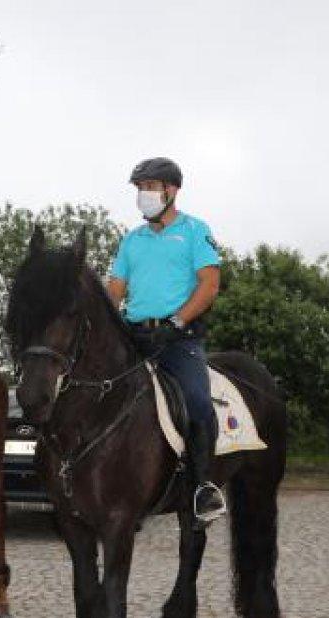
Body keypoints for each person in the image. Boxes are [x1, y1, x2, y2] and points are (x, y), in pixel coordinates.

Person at [107, 157, 227, 528]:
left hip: (178, 338)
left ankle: (202, 488)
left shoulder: (195, 231)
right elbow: (114, 289)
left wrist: (176, 323)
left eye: (150, 188)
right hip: (134, 334)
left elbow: (209, 285)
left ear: (171, 191)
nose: (144, 195)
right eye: (140, 189)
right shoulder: (132, 239)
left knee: (195, 401)